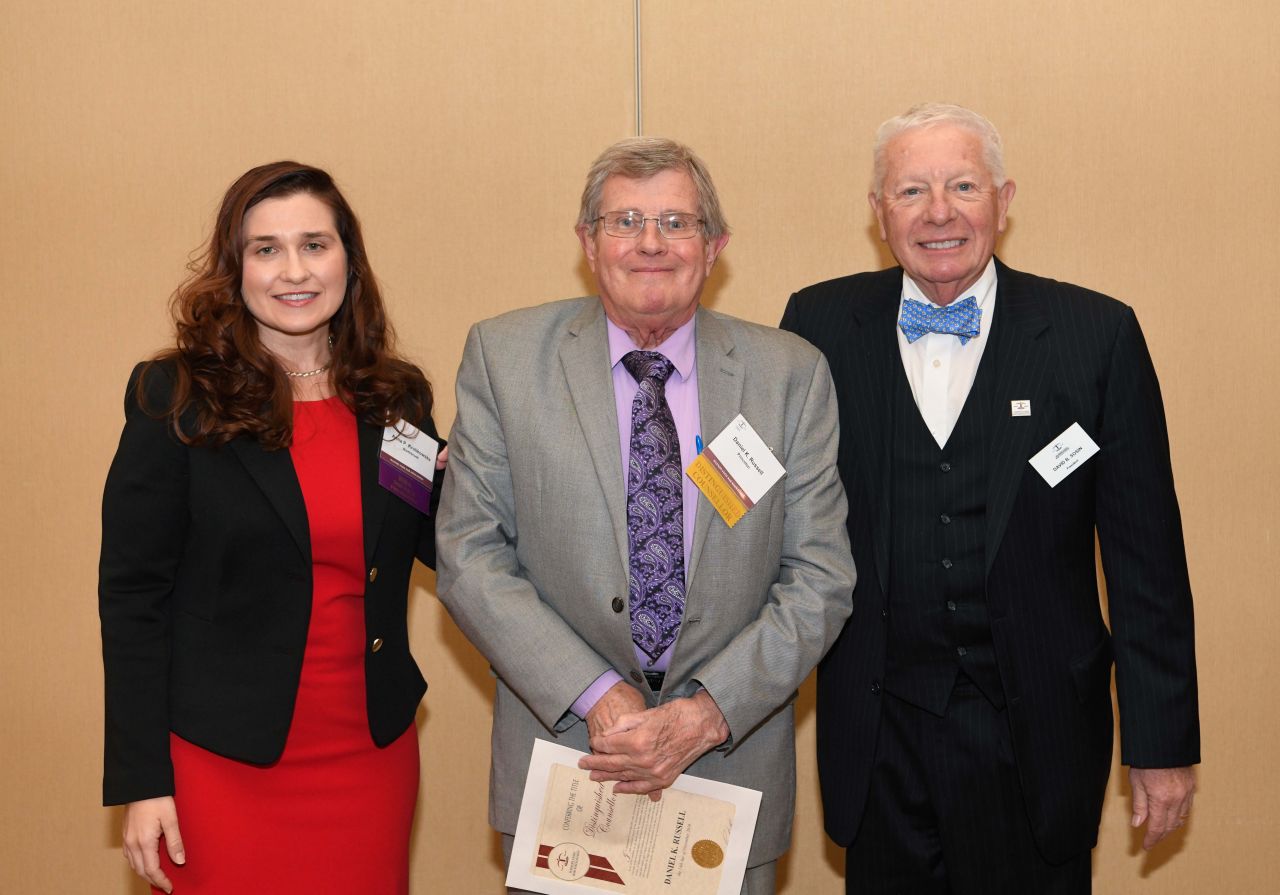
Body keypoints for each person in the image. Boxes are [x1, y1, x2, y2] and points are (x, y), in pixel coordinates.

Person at [781, 103, 1200, 893]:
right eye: (911, 190)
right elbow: (753, 492)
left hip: (1037, 737)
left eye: (963, 186)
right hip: (879, 733)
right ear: (878, 212)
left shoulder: (1095, 334)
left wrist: (1162, 743)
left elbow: (1147, 562)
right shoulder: (818, 324)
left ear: (1003, 201)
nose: (938, 212)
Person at [435, 137, 855, 894]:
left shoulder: (789, 375)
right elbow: (469, 553)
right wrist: (597, 693)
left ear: (715, 246)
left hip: (727, 765)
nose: (650, 243)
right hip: (571, 758)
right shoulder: (504, 356)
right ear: (587, 242)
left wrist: (706, 712)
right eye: (625, 221)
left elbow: (820, 576)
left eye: (676, 222)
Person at [99, 161, 445, 894]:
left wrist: (481, 479)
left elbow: (441, 547)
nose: (294, 270)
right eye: (266, 249)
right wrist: (142, 779)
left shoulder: (395, 398)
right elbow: (132, 596)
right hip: (220, 761)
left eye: (315, 244)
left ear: (348, 260)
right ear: (237, 268)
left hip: (369, 754)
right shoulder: (177, 398)